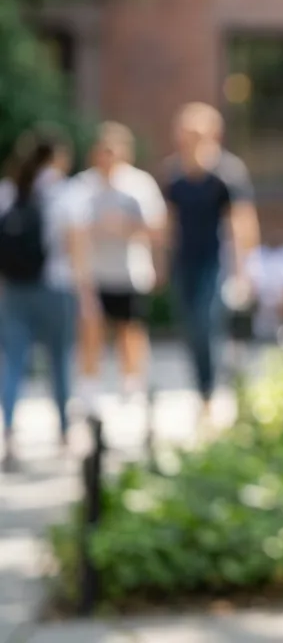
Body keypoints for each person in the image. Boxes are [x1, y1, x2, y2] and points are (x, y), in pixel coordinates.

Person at [160, 103, 259, 425]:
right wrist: (159, 262)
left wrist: (244, 270)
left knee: (206, 324)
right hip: (183, 262)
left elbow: (242, 222)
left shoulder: (227, 173)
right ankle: (202, 388)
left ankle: (210, 392)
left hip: (215, 263)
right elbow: (168, 222)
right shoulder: (174, 174)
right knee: (190, 328)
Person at [0, 131, 93, 470]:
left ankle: (9, 430)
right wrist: (87, 295)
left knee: (12, 363)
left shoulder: (9, 192)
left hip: (14, 289)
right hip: (58, 286)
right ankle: (65, 432)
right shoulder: (68, 193)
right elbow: (76, 247)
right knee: (60, 361)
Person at [74, 122, 167, 405]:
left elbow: (158, 228)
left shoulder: (140, 185)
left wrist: (125, 227)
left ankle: (132, 382)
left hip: (130, 272)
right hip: (94, 272)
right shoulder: (83, 186)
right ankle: (90, 388)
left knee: (130, 329)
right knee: (91, 329)